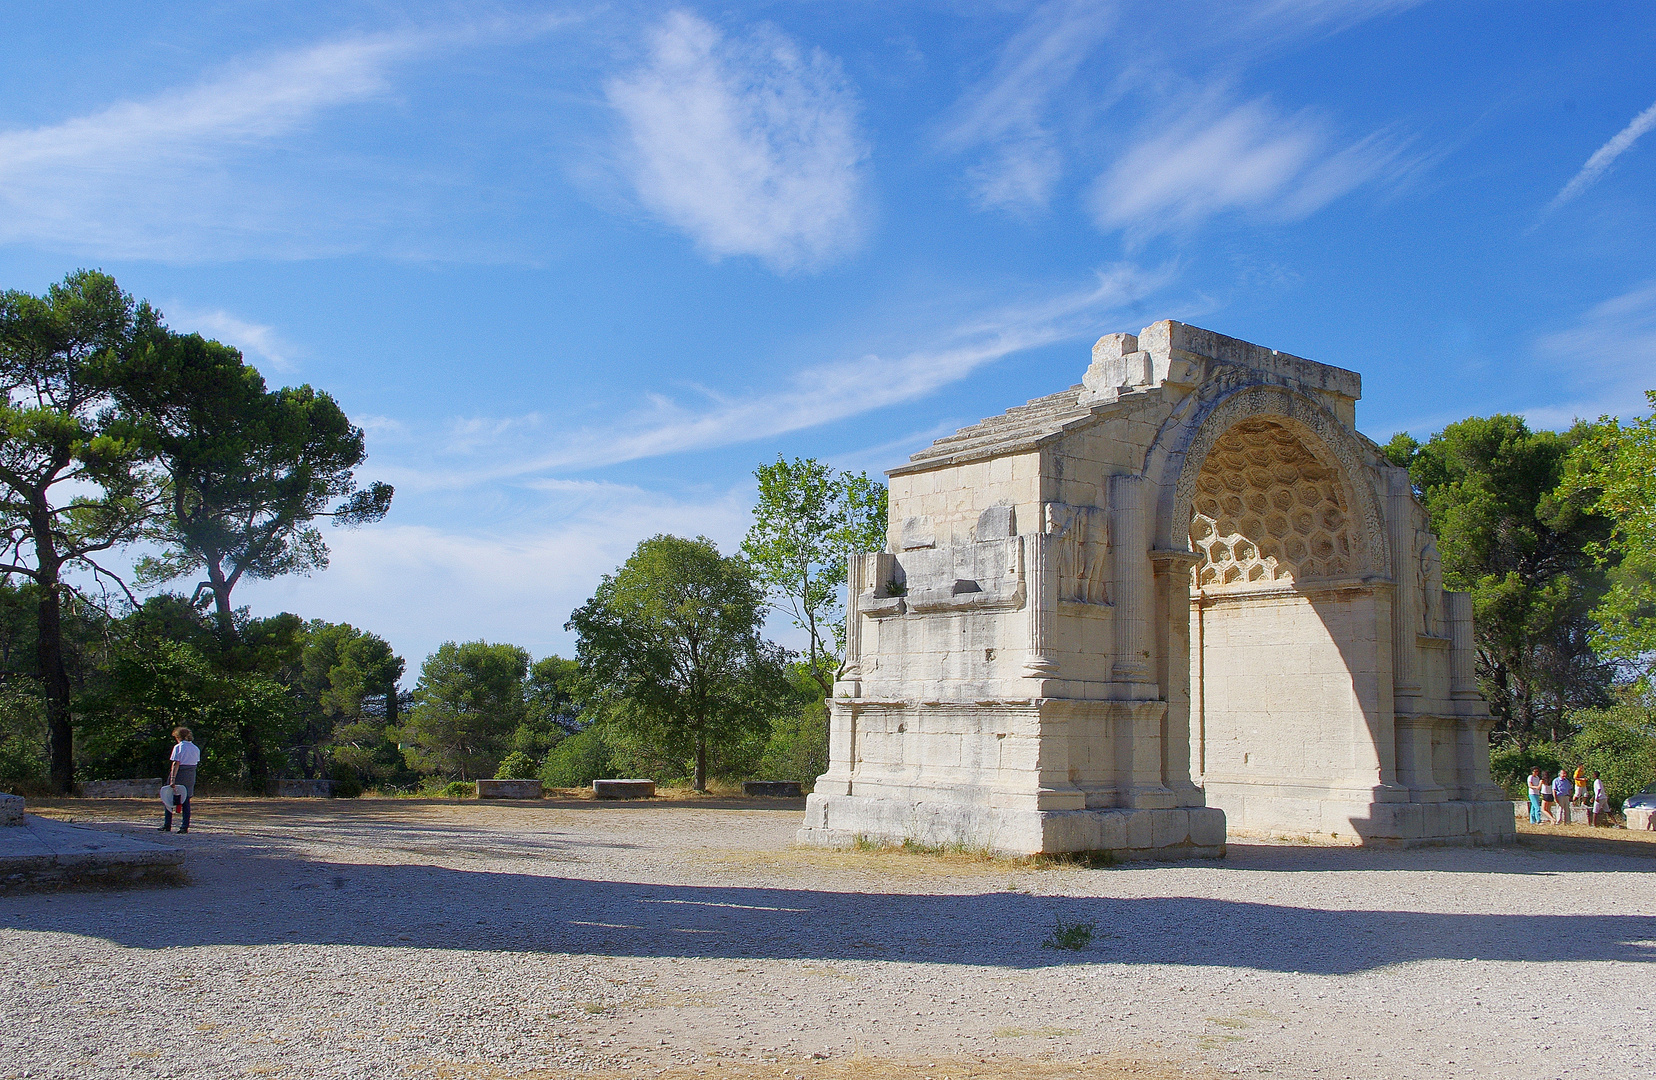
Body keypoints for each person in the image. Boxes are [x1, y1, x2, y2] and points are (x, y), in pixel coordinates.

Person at [162, 726, 200, 833]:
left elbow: (176, 763)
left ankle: (167, 824)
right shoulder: (195, 748)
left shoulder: (178, 747)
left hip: (180, 773)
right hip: (191, 775)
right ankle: (184, 826)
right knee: (186, 800)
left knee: (169, 798)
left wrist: (173, 779)